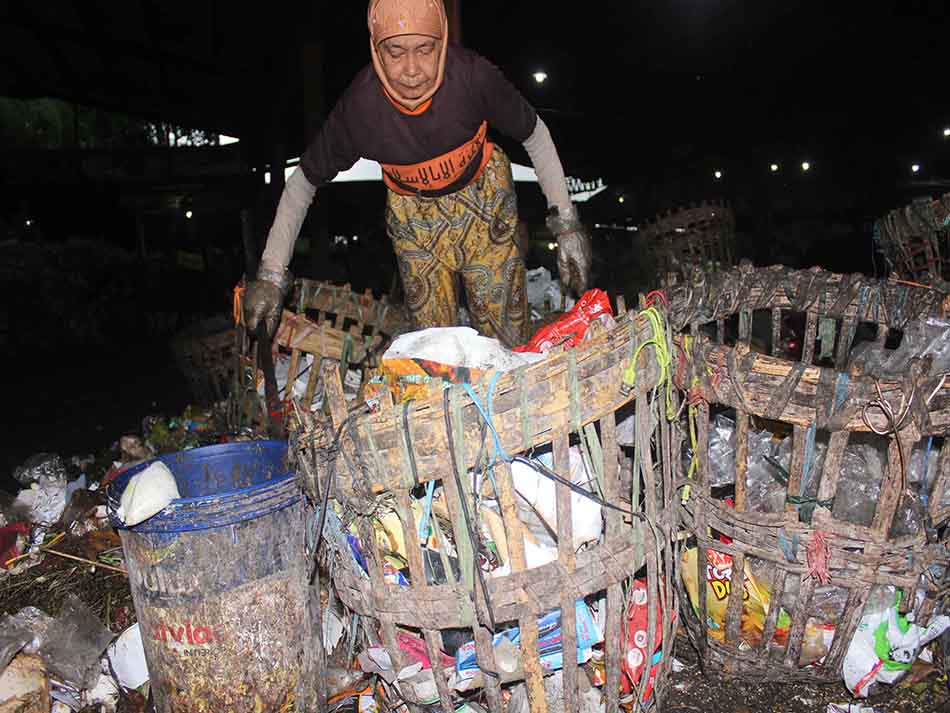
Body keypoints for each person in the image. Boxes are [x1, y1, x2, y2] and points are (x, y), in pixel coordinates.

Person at [243, 0, 590, 347]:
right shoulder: (361, 109)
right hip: (415, 219)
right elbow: (302, 182)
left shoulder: (472, 77)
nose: (412, 70)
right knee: (434, 346)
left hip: (484, 206)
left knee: (507, 339)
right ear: (376, 50)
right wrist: (271, 275)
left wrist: (567, 224)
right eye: (395, 52)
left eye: (425, 49)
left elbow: (535, 134)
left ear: (442, 42)